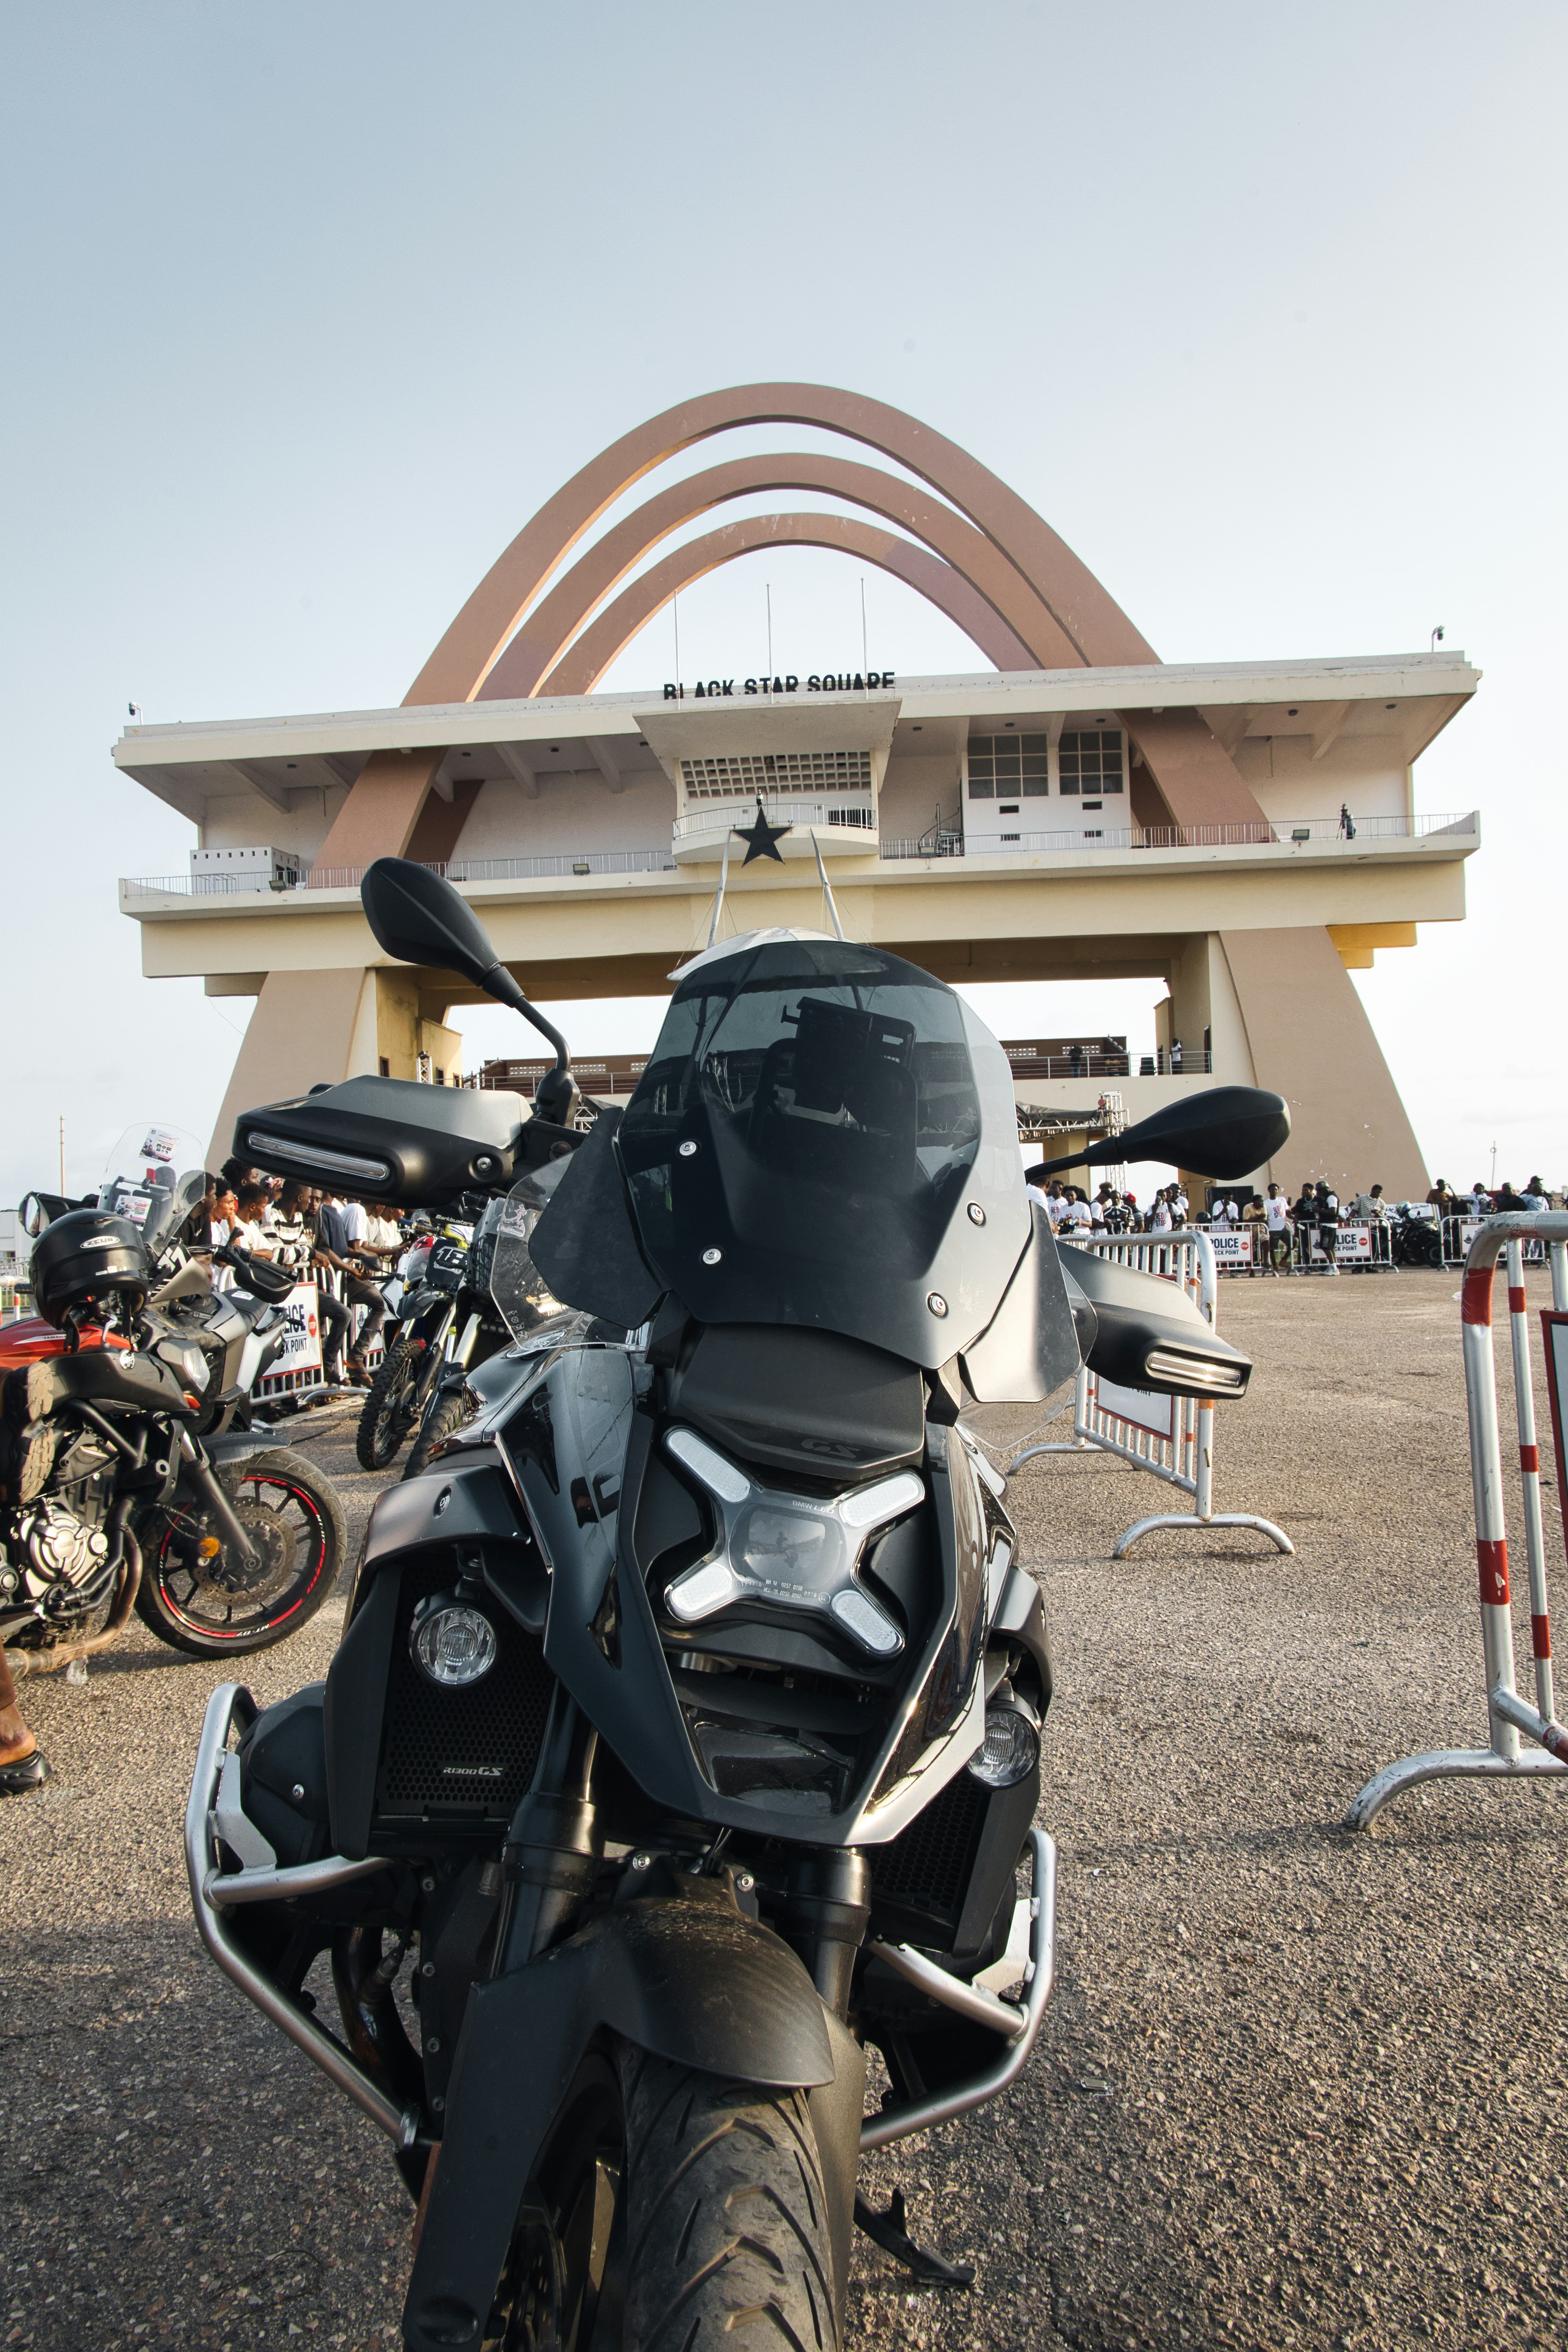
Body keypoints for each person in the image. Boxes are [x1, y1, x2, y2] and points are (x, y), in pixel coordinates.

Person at [1264, 1182, 1292, 1274]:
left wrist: (1295, 1218)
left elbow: (1287, 1212)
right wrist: (1267, 1229)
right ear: (1269, 1191)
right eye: (1273, 1190)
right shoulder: (1266, 1203)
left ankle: (1283, 1261)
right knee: (1272, 1249)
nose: (1275, 1191)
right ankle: (1275, 1267)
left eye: (1276, 1190)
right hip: (1273, 1229)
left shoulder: (1282, 1200)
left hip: (1283, 1228)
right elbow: (1266, 1217)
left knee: (1294, 1243)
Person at [1315, 1179, 1341, 1273]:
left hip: (1328, 1225)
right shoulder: (1327, 1198)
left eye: (1321, 1190)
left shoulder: (1331, 1197)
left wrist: (1319, 1210)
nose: (1319, 1193)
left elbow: (1333, 1211)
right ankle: (1333, 1266)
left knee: (1326, 1247)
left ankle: (1333, 1267)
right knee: (1329, 1247)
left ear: (1326, 1190)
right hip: (1329, 1225)